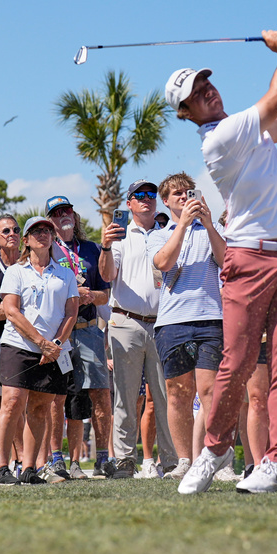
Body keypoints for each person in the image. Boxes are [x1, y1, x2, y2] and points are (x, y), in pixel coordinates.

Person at [165, 27, 277, 494]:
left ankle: (276, 463)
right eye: (195, 94)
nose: (206, 91)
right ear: (186, 112)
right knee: (238, 361)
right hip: (250, 260)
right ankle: (212, 452)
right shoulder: (219, 139)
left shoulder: (252, 132)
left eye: (206, 82)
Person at [146, 173, 234, 480]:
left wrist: (209, 224)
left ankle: (214, 458)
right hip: (172, 323)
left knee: (211, 391)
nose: (184, 197)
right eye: (176, 194)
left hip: (211, 318)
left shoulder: (214, 228)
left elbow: (227, 262)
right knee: (178, 393)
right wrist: (183, 224)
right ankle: (185, 460)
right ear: (166, 201)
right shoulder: (158, 234)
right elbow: (163, 263)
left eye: (188, 192)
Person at [98, 180, 178, 479]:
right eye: (139, 195)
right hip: (126, 321)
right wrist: (105, 245)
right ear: (129, 203)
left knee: (167, 396)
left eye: (151, 195)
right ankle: (125, 461)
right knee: (126, 396)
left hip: (164, 321)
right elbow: (107, 275)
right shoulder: (119, 236)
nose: (147, 199)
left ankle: (173, 462)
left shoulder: (167, 234)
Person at [0, 216, 79, 485]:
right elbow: (11, 311)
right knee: (12, 403)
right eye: (35, 231)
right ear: (26, 240)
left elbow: (71, 313)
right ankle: (2, 468)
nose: (43, 234)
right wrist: (42, 343)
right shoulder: (16, 272)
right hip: (19, 346)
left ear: (53, 238)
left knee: (41, 408)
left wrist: (57, 345)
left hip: (53, 349)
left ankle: (29, 468)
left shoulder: (65, 273)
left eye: (47, 231)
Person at [45, 195, 112, 480]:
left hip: (89, 331)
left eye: (67, 210)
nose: (64, 215)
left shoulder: (91, 249)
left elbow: (105, 294)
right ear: (49, 220)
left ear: (75, 215)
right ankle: (57, 458)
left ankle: (102, 458)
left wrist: (86, 295)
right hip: (59, 331)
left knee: (99, 393)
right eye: (57, 213)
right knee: (57, 397)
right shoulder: (46, 250)